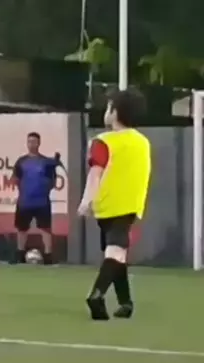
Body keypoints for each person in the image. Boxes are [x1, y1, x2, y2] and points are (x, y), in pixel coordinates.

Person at [78, 88, 150, 321]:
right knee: (117, 253)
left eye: (109, 107)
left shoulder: (103, 141)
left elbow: (95, 174)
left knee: (115, 251)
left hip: (107, 204)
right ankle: (125, 303)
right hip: (130, 204)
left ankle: (97, 295)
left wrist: (86, 200)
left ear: (115, 112)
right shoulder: (142, 142)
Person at [10, 132, 62, 265]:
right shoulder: (21, 161)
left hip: (42, 202)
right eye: (29, 141)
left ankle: (48, 256)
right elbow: (15, 179)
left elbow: (53, 181)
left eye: (34, 142)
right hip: (25, 201)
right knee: (22, 229)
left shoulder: (46, 162)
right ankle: (20, 255)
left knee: (45, 229)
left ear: (39, 143)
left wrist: (44, 190)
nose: (32, 144)